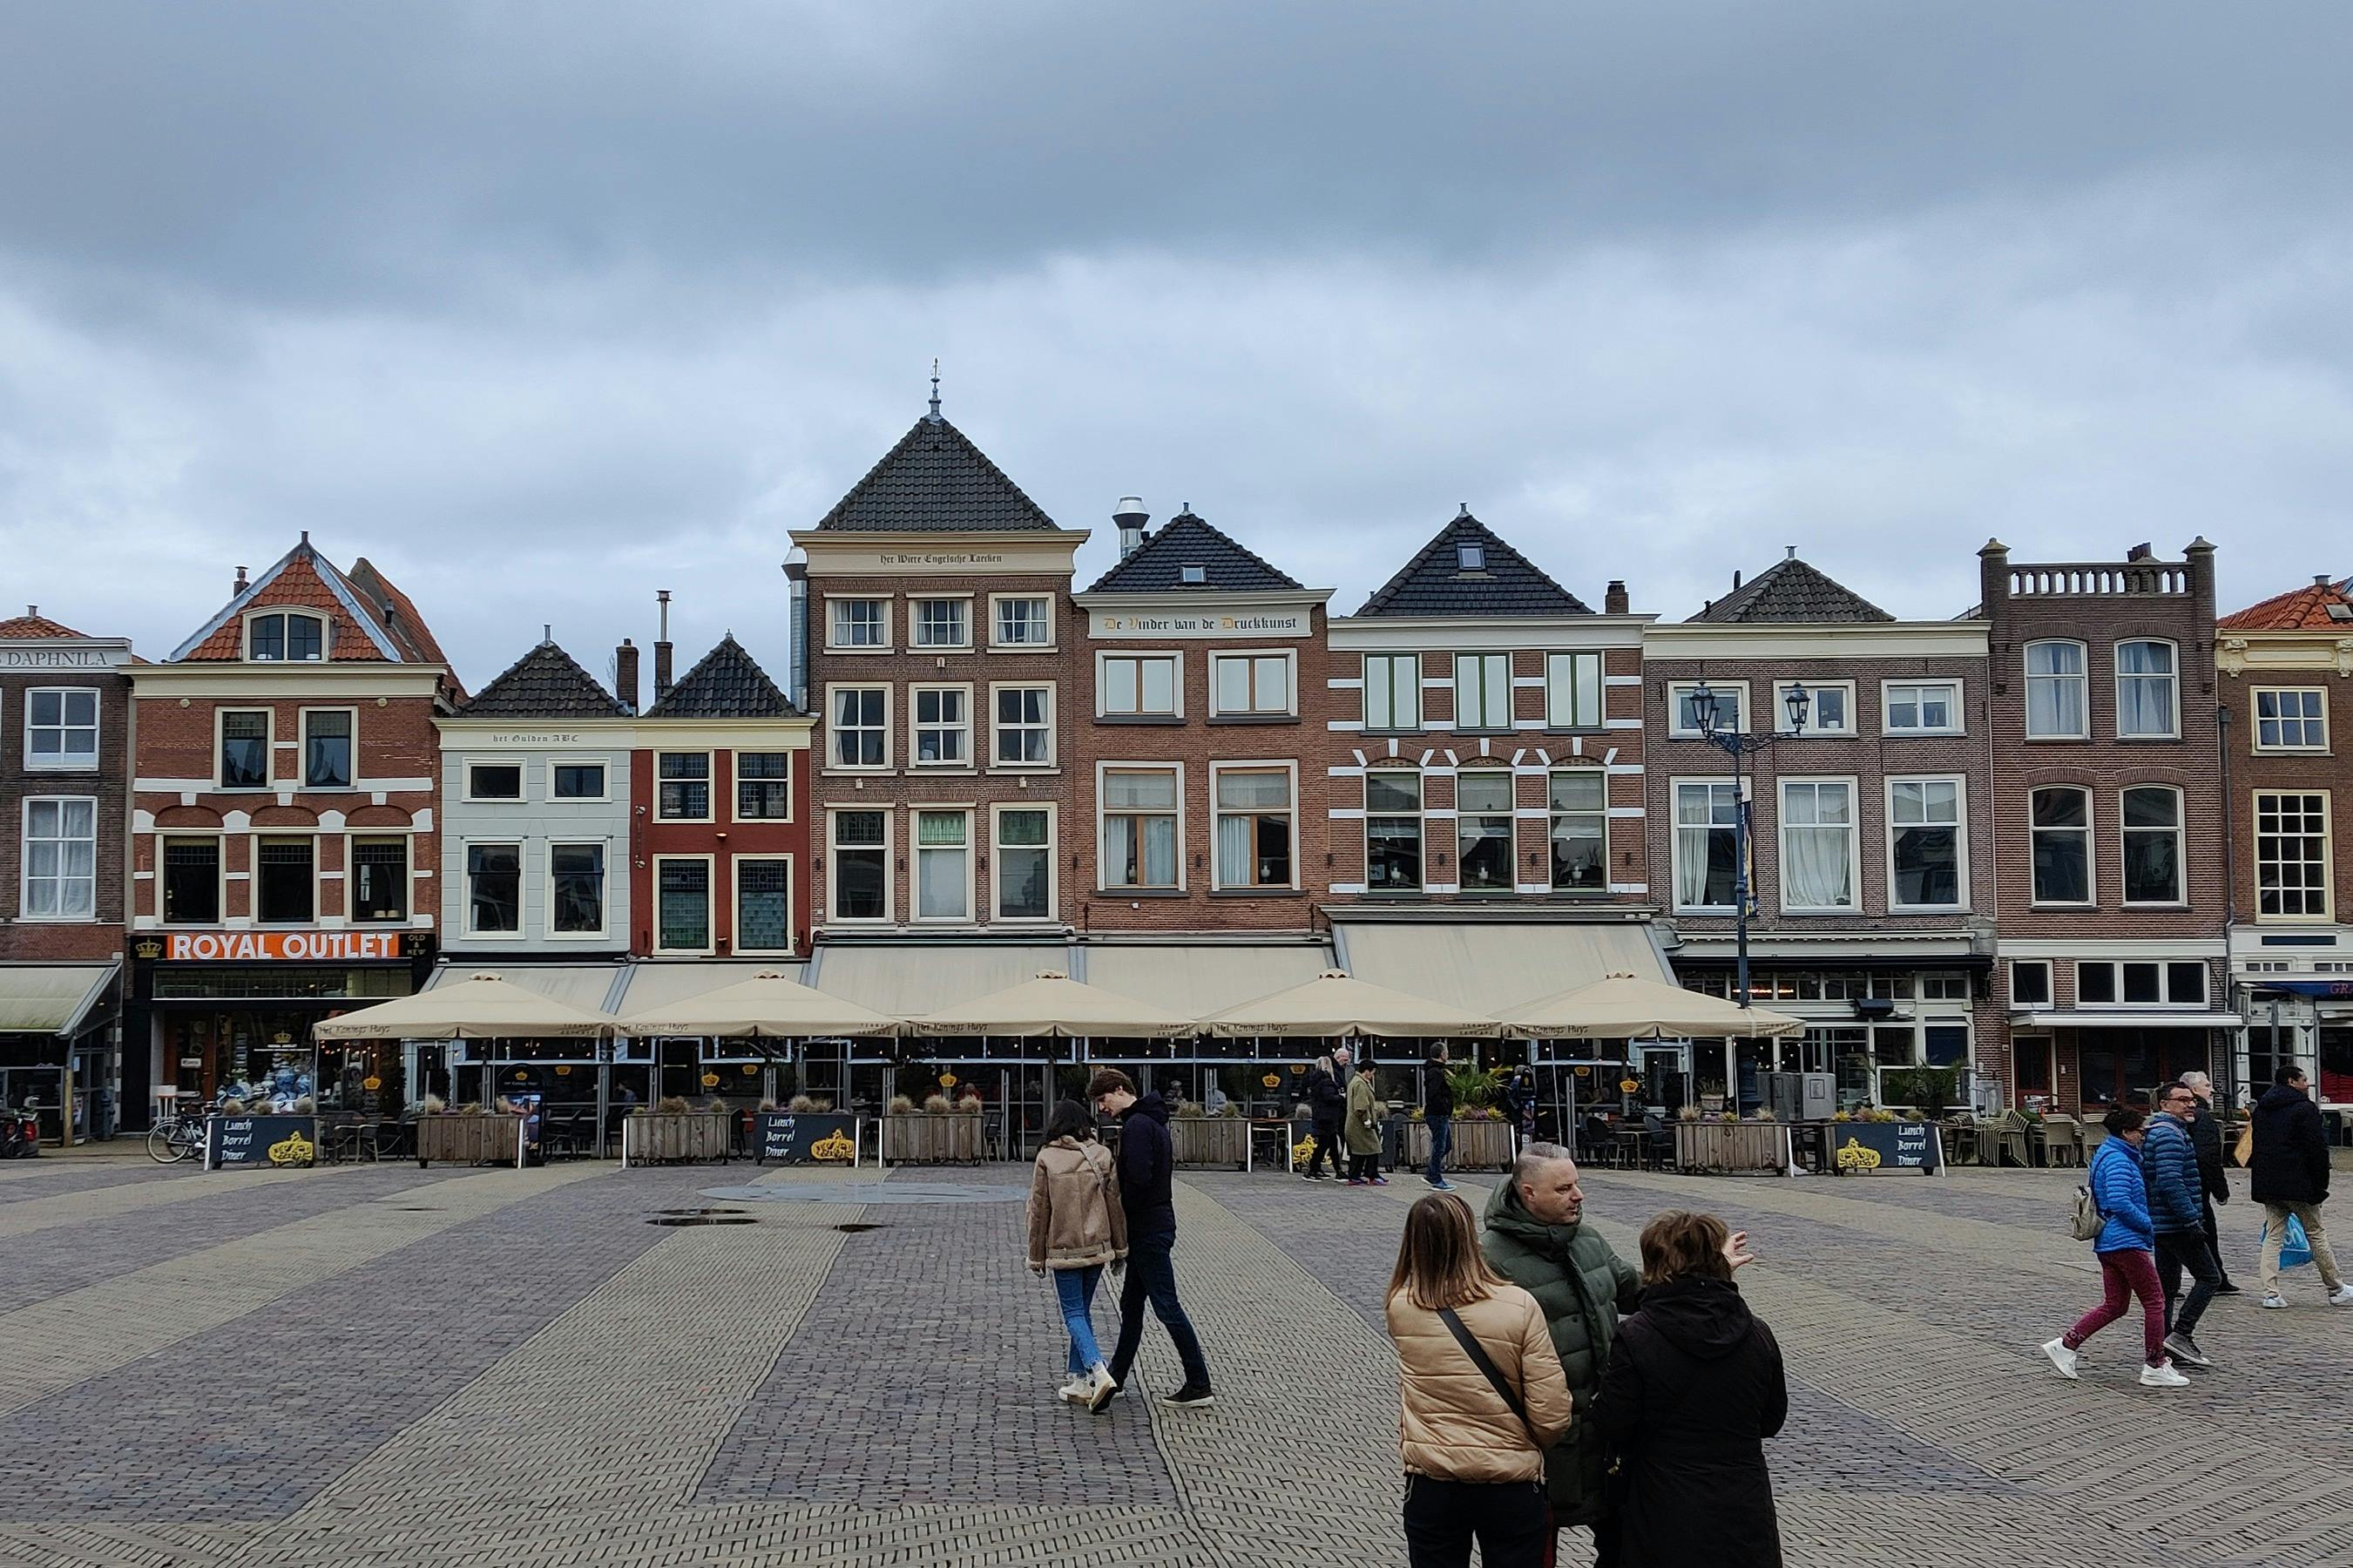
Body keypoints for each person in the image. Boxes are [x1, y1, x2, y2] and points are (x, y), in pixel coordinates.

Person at [1386, 1192, 1572, 1568]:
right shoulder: (1518, 1305)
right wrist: (1528, 1444)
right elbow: (1552, 1412)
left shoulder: (1402, 1306)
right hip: (1510, 1481)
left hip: (1434, 1479)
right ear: (1471, 1238)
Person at [1593, 1210, 1784, 1568]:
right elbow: (1771, 1419)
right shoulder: (1756, 1333)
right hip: (1742, 1502)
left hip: (1661, 1498)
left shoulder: (1638, 1335)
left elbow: (1615, 1422)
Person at [1481, 1143, 1643, 1557]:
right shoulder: (1489, 1259)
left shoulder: (1587, 1240)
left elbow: (1635, 1291)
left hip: (1606, 1436)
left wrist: (1704, 1274)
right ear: (1529, 1192)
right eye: (1564, 1188)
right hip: (1541, 1445)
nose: (1578, 1196)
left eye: (1576, 1184)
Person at [1088, 1068, 1215, 1408]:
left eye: (1103, 1099)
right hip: (1153, 1224)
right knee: (1132, 1305)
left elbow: (1139, 1178)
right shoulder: (1151, 1121)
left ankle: (1199, 1382)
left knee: (1166, 1305)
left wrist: (1118, 1199)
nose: (1102, 1108)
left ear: (1120, 1090)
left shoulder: (1137, 1126)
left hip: (1147, 1227)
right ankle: (1115, 1379)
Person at [2040, 1105, 2187, 1388]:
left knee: (2116, 1304)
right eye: (2140, 1131)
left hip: (2109, 1242)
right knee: (2155, 1301)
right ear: (2126, 1132)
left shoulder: (2108, 1154)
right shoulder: (2120, 1160)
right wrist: (2147, 1224)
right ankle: (2155, 1364)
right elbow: (2120, 1202)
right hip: (2125, 1241)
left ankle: (2066, 1345)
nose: (2144, 1136)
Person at [1025, 1099, 1128, 1411]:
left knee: (1073, 1313)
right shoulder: (1102, 1154)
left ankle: (1097, 1370)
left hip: (1064, 1245)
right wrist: (1120, 1248)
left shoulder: (1047, 1157)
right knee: (1081, 1311)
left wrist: (1036, 1255)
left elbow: (1039, 1210)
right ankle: (1079, 1379)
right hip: (1097, 1246)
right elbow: (1115, 1204)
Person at [2250, 1064, 2353, 1308]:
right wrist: (2320, 1185)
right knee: (2316, 1233)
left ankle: (2270, 1293)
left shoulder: (2262, 1108)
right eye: (2304, 1080)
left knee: (2273, 1236)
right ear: (2291, 1081)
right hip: (2300, 1184)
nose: (2308, 1084)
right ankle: (2336, 1288)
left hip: (2269, 1183)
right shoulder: (2304, 1109)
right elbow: (2316, 1150)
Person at [2143, 1081, 2222, 1370]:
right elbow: (2170, 1181)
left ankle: (2160, 1346)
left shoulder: (2160, 1131)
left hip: (2162, 1223)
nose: (2190, 1105)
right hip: (2176, 1223)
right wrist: (2191, 1219)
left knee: (2166, 1287)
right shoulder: (2169, 1135)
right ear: (2164, 1104)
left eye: (2192, 1100)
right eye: (2182, 1100)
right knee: (2210, 1277)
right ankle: (2181, 1335)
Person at [2180, 1071, 2239, 1294]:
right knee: (2204, 1231)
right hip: (2196, 1185)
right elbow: (2208, 1156)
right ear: (2194, 1090)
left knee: (2173, 1233)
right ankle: (2215, 1278)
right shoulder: (2201, 1116)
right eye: (2206, 1085)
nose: (2211, 1090)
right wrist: (2220, 1190)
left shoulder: (2178, 1117)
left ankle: (2170, 1283)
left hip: (2183, 1183)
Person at [1304, 1054, 1347, 1181]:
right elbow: (1329, 1098)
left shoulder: (1316, 1080)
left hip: (1322, 1117)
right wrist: (1341, 1097)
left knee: (1330, 1143)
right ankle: (1313, 1169)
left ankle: (1331, 1170)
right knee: (1325, 1144)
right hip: (1327, 1118)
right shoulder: (1327, 1081)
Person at [1346, 1058, 1387, 1186]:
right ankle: (1371, 1175)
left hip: (1355, 1124)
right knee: (1373, 1148)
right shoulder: (1360, 1084)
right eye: (1373, 1072)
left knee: (1360, 1151)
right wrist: (1367, 1121)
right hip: (1361, 1125)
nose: (1373, 1075)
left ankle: (1357, 1175)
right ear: (1367, 1071)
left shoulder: (1357, 1081)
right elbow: (1361, 1106)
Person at [1423, 1044, 1456, 1191]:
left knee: (1446, 1145)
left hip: (1440, 1114)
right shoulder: (1435, 1072)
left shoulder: (1436, 1071)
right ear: (1442, 1054)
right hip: (1437, 1114)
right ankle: (1435, 1177)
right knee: (1440, 1145)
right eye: (1446, 1052)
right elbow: (1434, 1094)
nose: (1448, 1055)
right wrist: (1444, 1106)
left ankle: (1432, 1173)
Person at [1506, 1064, 1539, 1148]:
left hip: (1520, 1113)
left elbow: (1510, 1099)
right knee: (1525, 1132)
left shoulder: (1515, 1083)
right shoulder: (1524, 1084)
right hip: (1524, 1113)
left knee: (1521, 1132)